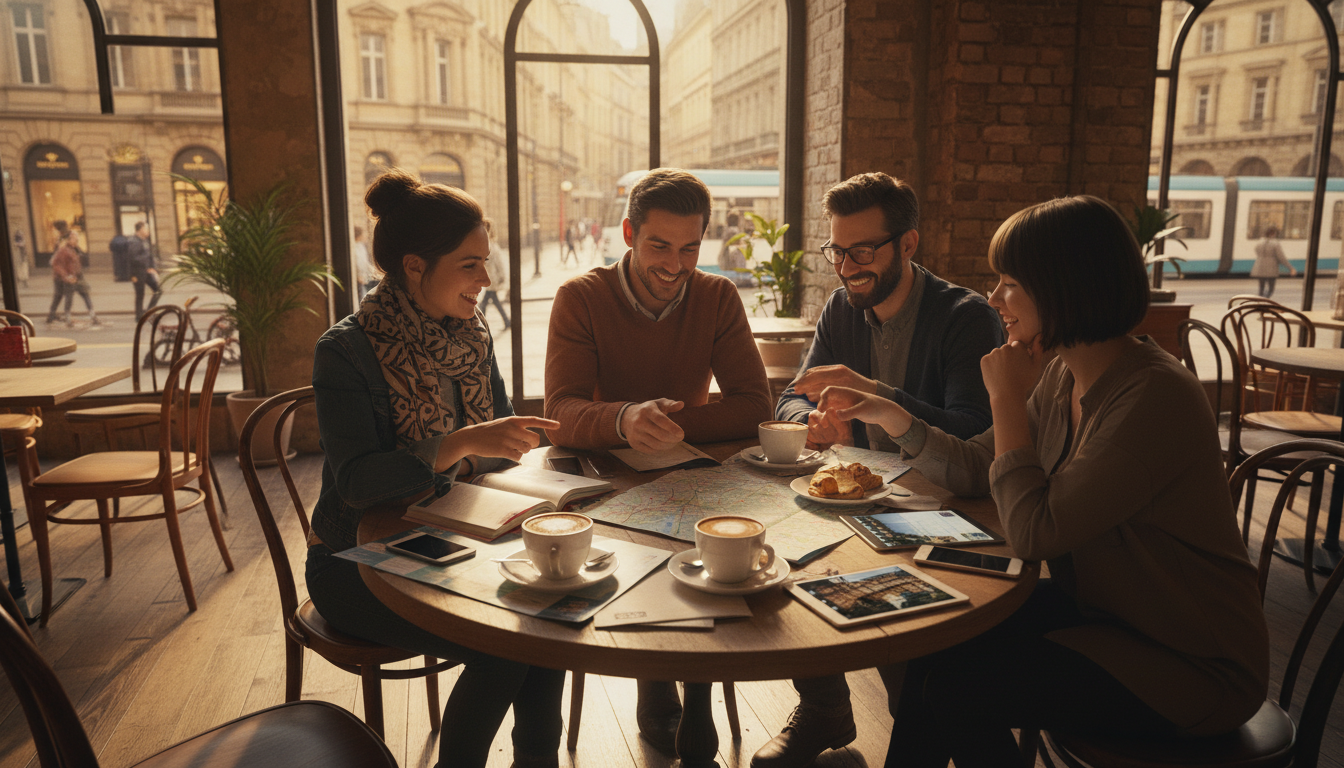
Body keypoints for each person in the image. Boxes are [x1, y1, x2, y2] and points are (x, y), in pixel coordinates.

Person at [810, 195, 1269, 768]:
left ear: (1062, 288)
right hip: (1105, 610)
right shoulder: (1062, 377)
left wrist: (1005, 398)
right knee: (932, 637)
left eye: (1009, 283)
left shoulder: (1154, 395)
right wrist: (892, 415)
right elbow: (977, 467)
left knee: (957, 689)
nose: (994, 299)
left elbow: (1033, 533)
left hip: (1189, 659)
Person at [310, 169, 566, 768]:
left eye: (485, 262)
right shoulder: (345, 350)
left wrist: (477, 450)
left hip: (457, 541)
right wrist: (459, 445)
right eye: (470, 265)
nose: (487, 280)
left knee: (551, 619)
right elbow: (357, 484)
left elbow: (504, 439)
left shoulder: (472, 337)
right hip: (354, 562)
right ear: (414, 266)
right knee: (504, 647)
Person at [754, 172, 1003, 768]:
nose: (846, 268)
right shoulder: (842, 309)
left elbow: (974, 432)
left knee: (913, 663)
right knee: (778, 558)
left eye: (862, 252)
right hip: (864, 503)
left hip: (946, 511)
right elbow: (791, 397)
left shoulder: (965, 317)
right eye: (837, 251)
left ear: (908, 243)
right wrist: (813, 422)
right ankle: (825, 705)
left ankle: (921, 719)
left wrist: (877, 398)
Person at [544, 167, 772, 752]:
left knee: (724, 549)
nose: (675, 265)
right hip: (606, 483)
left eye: (689, 248)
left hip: (688, 476)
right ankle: (660, 686)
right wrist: (623, 419)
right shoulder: (580, 297)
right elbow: (560, 412)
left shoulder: (716, 295)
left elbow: (755, 405)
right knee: (656, 549)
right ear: (628, 234)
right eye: (660, 246)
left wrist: (668, 425)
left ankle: (693, 692)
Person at [46, 231, 102, 328]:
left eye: (77, 239)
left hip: (77, 277)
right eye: (75, 239)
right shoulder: (63, 251)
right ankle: (62, 317)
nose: (77, 241)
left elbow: (76, 263)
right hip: (68, 278)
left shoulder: (74, 249)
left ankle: (93, 315)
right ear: (69, 240)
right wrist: (66, 276)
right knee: (64, 296)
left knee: (85, 294)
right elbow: (56, 265)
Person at [127, 222, 162, 321]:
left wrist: (153, 268)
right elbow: (134, 258)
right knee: (140, 294)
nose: (148, 231)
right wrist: (146, 258)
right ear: (140, 230)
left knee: (158, 291)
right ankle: (139, 316)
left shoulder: (145, 241)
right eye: (146, 228)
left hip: (147, 272)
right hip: (137, 273)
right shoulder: (134, 242)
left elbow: (150, 256)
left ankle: (149, 311)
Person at [481, 219, 510, 332]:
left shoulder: (491, 246)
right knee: (494, 301)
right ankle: (506, 321)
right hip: (492, 277)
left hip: (492, 278)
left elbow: (498, 263)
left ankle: (481, 325)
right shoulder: (491, 244)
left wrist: (501, 277)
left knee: (485, 303)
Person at [1251, 225, 1295, 298]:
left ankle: (1260, 300)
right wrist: (1291, 268)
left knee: (1261, 289)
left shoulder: (1259, 242)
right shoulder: (1275, 243)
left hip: (1259, 267)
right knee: (1270, 289)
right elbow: (1281, 257)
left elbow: (1256, 251)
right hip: (1271, 269)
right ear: (1273, 233)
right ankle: (1265, 299)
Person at [353, 225, 377, 297]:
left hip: (365, 276)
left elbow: (364, 262)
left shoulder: (361, 246)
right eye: (364, 234)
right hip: (359, 278)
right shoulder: (354, 247)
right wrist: (359, 275)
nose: (366, 236)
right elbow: (358, 263)